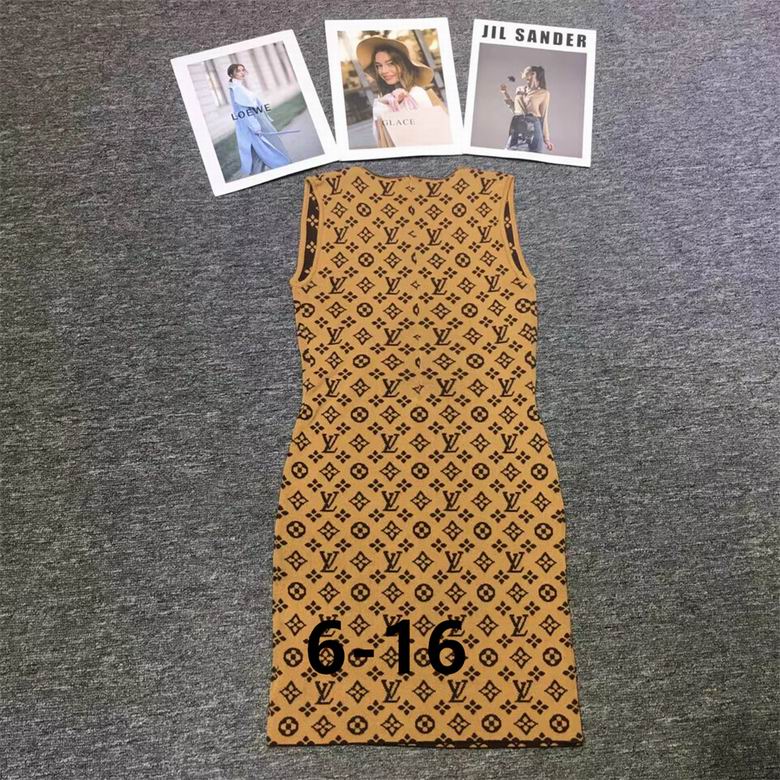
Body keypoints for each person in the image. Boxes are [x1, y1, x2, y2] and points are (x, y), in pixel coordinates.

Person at [355, 35, 446, 147]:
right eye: (379, 66)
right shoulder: (386, 97)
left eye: (390, 64)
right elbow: (380, 137)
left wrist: (384, 104)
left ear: (404, 65)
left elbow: (419, 137)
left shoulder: (416, 94)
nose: (383, 71)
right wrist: (384, 101)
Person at [226, 63, 291, 176]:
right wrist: (255, 127)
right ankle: (284, 168)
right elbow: (243, 111)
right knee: (267, 149)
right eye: (238, 71)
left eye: (243, 70)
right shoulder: (236, 89)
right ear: (231, 74)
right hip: (254, 123)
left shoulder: (239, 86)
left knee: (258, 152)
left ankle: (257, 175)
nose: (242, 73)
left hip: (258, 119)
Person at [499, 66, 555, 153]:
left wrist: (546, 139)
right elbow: (516, 110)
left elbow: (543, 117)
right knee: (508, 153)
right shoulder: (519, 89)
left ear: (533, 74)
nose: (523, 72)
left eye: (526, 71)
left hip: (533, 128)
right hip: (517, 127)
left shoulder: (544, 93)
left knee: (532, 156)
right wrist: (505, 93)